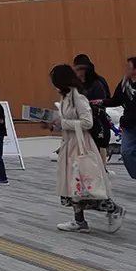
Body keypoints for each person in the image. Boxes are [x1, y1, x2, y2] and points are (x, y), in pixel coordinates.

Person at [43, 64, 125, 234]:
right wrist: (53, 126)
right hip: (69, 144)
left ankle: (113, 209)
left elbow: (88, 122)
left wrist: (64, 124)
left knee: (85, 181)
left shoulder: (78, 98)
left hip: (81, 145)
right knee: (73, 182)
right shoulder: (66, 98)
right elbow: (67, 122)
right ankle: (79, 220)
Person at [96, 57, 136, 180]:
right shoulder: (125, 83)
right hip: (129, 124)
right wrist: (102, 102)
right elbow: (116, 100)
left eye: (128, 67)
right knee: (126, 153)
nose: (126, 69)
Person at [73, 55, 112, 164]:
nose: (78, 72)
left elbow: (103, 101)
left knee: (99, 150)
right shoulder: (77, 84)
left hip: (97, 121)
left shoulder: (97, 83)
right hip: (82, 121)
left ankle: (102, 171)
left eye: (80, 69)